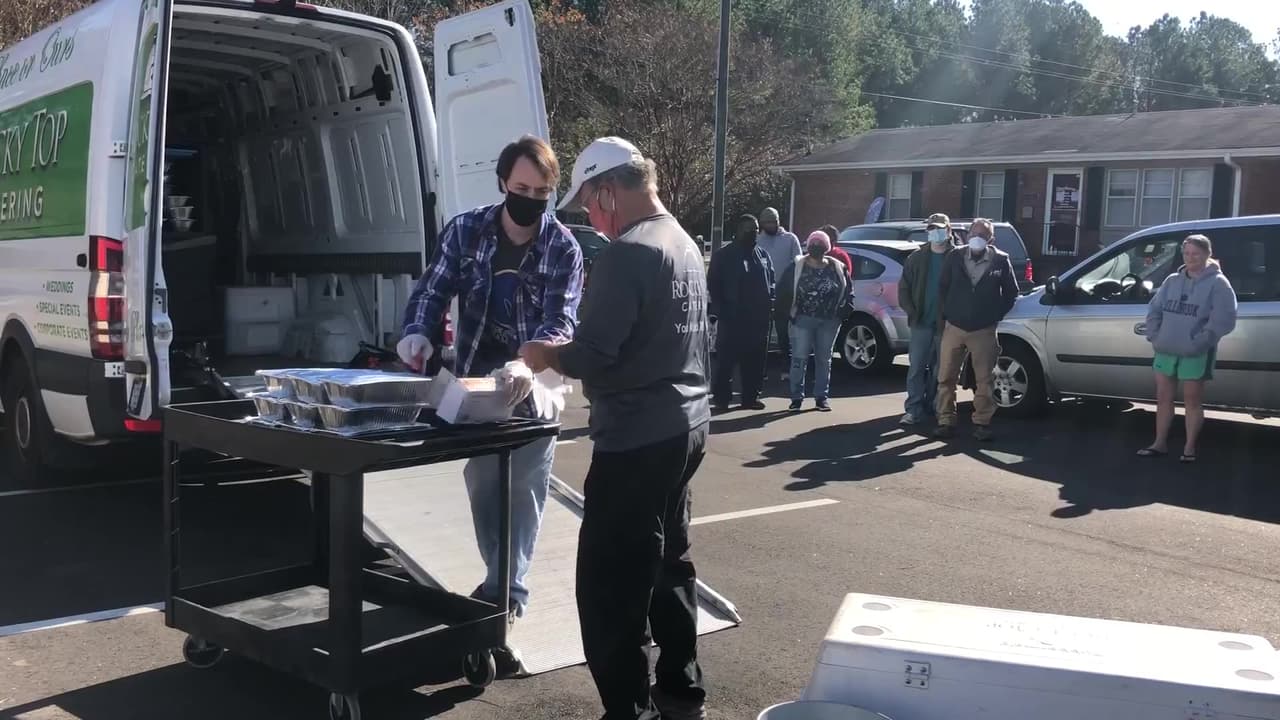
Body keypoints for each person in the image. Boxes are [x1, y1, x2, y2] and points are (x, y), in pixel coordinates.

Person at [518, 136, 711, 720]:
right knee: (670, 562)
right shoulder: (683, 242)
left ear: (609, 190)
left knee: (609, 585)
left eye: (592, 208)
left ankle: (628, 709)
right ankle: (680, 688)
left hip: (636, 437)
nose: (593, 221)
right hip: (688, 426)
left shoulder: (628, 253)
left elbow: (595, 352)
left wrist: (547, 354)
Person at [397, 135, 583, 676]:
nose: (530, 199)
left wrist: (534, 360)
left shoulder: (563, 248)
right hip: (476, 382)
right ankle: (499, 582)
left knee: (523, 491)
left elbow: (562, 318)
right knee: (482, 485)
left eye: (542, 191)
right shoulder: (466, 229)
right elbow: (433, 289)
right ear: (503, 183)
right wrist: (418, 334)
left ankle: (504, 595)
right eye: (522, 188)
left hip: (535, 384)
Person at [1138, 234, 1238, 463]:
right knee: (1163, 397)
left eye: (1196, 253)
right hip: (1166, 348)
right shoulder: (1172, 280)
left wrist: (1200, 342)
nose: (1191, 258)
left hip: (1195, 352)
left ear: (1206, 254)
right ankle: (1159, 443)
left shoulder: (1218, 284)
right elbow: (1154, 310)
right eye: (1187, 253)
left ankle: (1189, 447)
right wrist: (1155, 336)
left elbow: (1224, 319)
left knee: (1192, 400)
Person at [934, 217, 1018, 441]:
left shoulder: (1001, 260)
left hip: (983, 329)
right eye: (974, 234)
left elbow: (1011, 293)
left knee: (984, 379)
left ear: (990, 239)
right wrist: (946, 315)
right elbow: (942, 287)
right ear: (968, 235)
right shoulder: (955, 256)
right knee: (945, 377)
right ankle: (945, 420)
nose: (977, 238)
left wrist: (995, 315)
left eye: (982, 235)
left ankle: (982, 423)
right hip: (955, 326)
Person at [776, 231, 850, 412]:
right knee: (799, 359)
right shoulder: (796, 266)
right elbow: (782, 291)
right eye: (813, 244)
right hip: (802, 319)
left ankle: (821, 397)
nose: (816, 247)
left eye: (820, 244)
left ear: (827, 248)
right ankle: (796, 397)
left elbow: (848, 290)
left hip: (829, 321)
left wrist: (844, 311)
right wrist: (789, 314)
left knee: (824, 360)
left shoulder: (837, 267)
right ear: (808, 247)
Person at [707, 214, 775, 412]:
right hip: (732, 318)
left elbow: (771, 279)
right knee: (726, 361)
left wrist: (771, 302)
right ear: (738, 231)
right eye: (749, 230)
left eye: (755, 230)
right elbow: (713, 284)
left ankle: (750, 397)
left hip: (758, 320)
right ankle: (721, 398)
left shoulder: (762, 254)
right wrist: (720, 309)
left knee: (754, 362)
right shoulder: (724, 255)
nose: (753, 233)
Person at [898, 213, 955, 426]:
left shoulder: (956, 257)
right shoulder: (916, 257)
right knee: (916, 368)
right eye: (931, 228)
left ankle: (934, 405)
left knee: (941, 370)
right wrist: (911, 311)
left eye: (940, 228)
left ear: (949, 231)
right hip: (921, 322)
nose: (935, 232)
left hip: (946, 325)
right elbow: (904, 288)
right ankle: (913, 408)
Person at [757, 207, 802, 375]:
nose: (770, 225)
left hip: (784, 293)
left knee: (783, 332)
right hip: (762, 292)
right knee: (761, 332)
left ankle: (786, 367)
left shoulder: (790, 239)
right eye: (767, 223)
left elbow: (798, 263)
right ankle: (761, 369)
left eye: (773, 222)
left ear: (778, 222)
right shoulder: (757, 239)